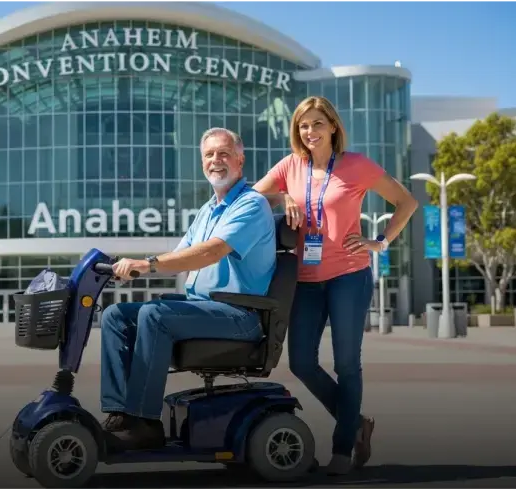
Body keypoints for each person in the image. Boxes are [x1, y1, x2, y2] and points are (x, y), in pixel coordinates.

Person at [253, 96, 418, 475]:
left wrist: (380, 241)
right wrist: (283, 195)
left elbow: (406, 202)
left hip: (349, 275)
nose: (309, 131)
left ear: (332, 127)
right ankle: (357, 422)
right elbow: (250, 196)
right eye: (303, 126)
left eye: (316, 124)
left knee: (347, 364)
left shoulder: (356, 165)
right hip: (305, 281)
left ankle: (342, 448)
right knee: (302, 363)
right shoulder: (290, 166)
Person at [101, 127, 277, 451]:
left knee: (156, 315)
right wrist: (131, 269)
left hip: (240, 315)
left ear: (240, 159)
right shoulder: (208, 210)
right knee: (115, 315)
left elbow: (211, 252)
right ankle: (119, 415)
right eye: (209, 155)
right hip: (207, 311)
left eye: (223, 153)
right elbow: (180, 258)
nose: (216, 161)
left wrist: (147, 263)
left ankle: (144, 422)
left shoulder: (251, 205)